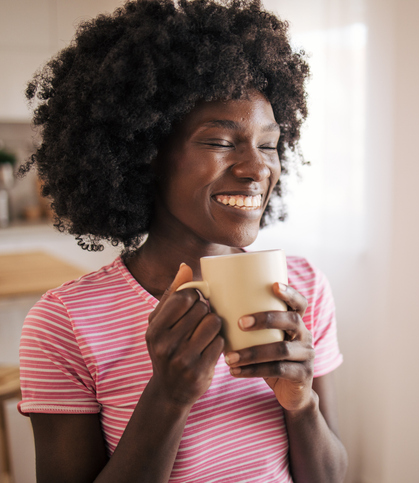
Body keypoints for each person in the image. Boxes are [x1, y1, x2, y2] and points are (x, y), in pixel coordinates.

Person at [17, 0, 347, 481]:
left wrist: (302, 404)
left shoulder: (303, 288)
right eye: (219, 141)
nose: (257, 169)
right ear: (144, 152)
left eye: (269, 144)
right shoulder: (64, 326)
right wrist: (168, 395)